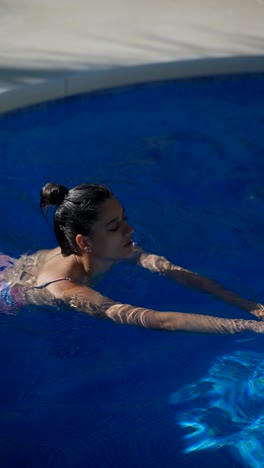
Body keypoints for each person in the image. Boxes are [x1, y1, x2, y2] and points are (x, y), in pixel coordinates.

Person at [1, 182, 264, 335]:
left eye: (124, 219)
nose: (130, 231)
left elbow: (178, 273)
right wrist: (247, 327)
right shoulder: (65, 289)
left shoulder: (113, 248)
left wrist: (249, 305)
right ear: (84, 242)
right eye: (114, 227)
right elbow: (160, 320)